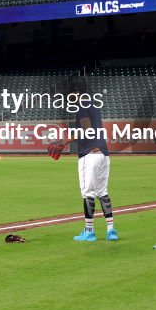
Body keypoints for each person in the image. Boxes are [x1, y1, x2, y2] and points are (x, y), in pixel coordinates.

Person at [66, 76, 117, 242]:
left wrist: (65, 141)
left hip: (89, 155)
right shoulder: (93, 106)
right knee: (102, 192)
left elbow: (87, 130)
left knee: (87, 193)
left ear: (76, 93)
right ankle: (111, 230)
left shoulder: (81, 106)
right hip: (103, 154)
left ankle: (89, 231)